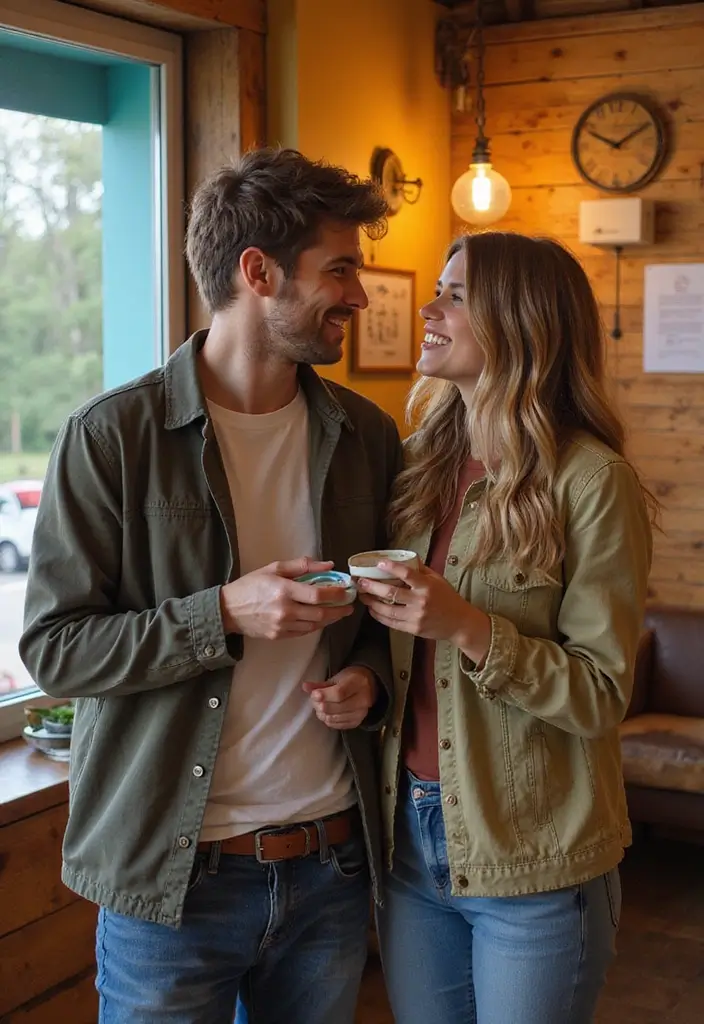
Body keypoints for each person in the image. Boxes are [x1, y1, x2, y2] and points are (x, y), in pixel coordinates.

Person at [20, 147, 403, 1024]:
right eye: (339, 268)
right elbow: (54, 648)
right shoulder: (112, 437)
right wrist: (222, 612)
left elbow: (386, 619)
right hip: (174, 881)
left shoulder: (369, 437)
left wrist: (373, 680)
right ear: (258, 272)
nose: (361, 294)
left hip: (332, 868)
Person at [357, 231, 654, 1024]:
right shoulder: (417, 464)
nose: (430, 308)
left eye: (455, 295)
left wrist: (470, 626)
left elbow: (600, 693)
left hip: (537, 857)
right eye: (439, 291)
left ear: (521, 321)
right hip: (410, 843)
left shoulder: (592, 481)